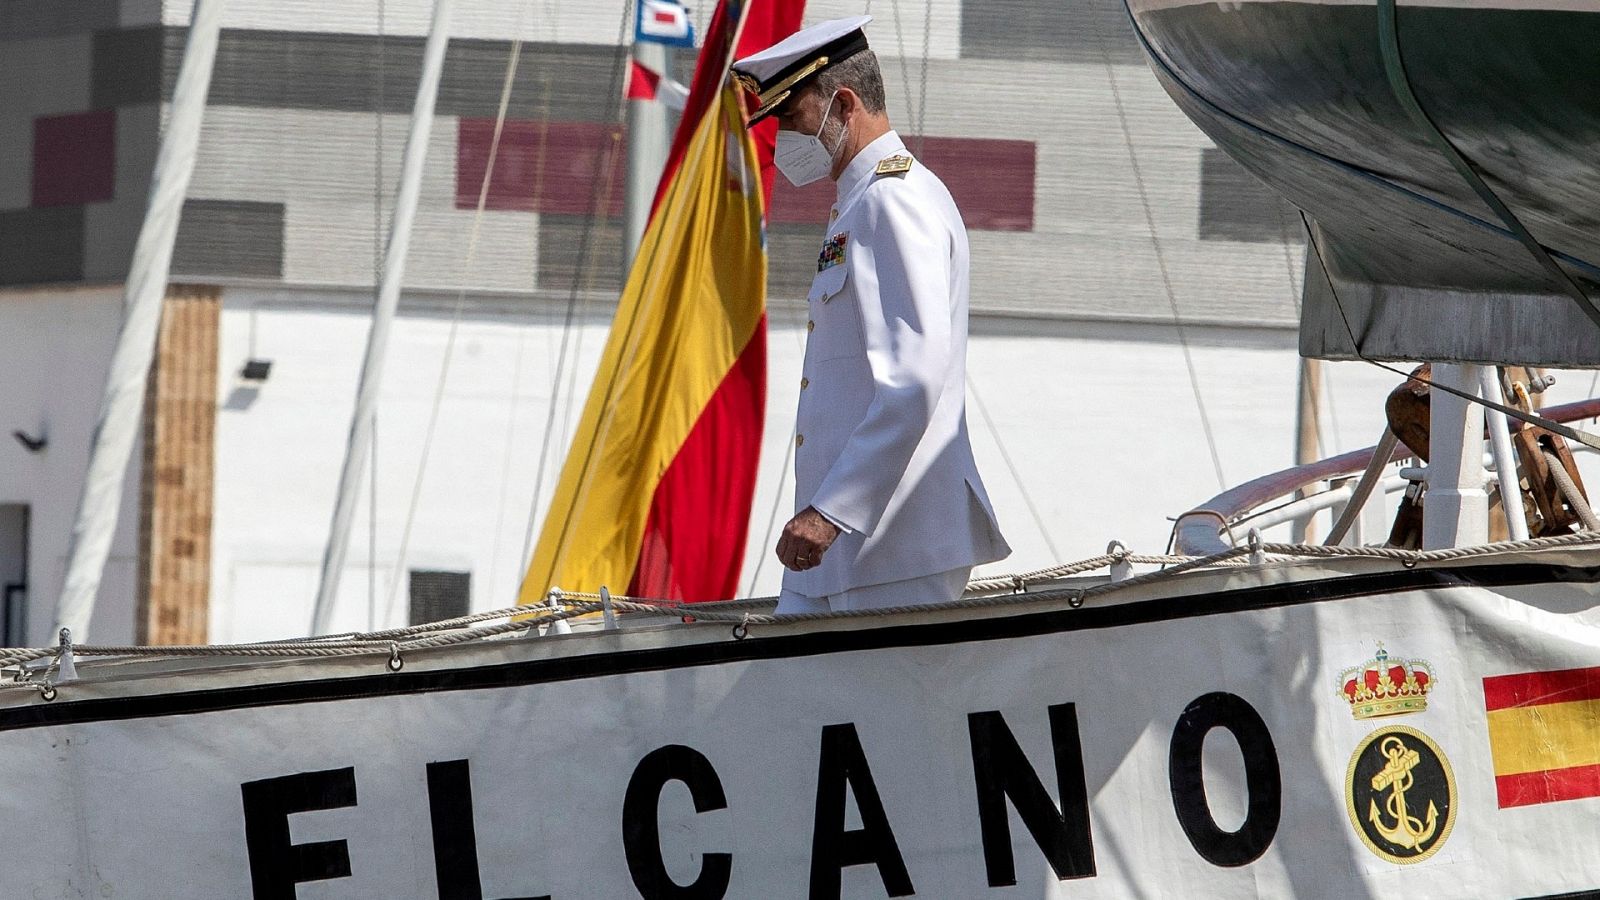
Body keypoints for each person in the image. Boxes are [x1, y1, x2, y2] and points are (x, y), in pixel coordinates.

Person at [732, 16, 1010, 614]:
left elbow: (915, 377)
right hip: (843, 551)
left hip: (893, 543)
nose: (785, 137)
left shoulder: (895, 198)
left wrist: (833, 510)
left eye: (792, 116)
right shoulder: (860, 202)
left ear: (845, 102)